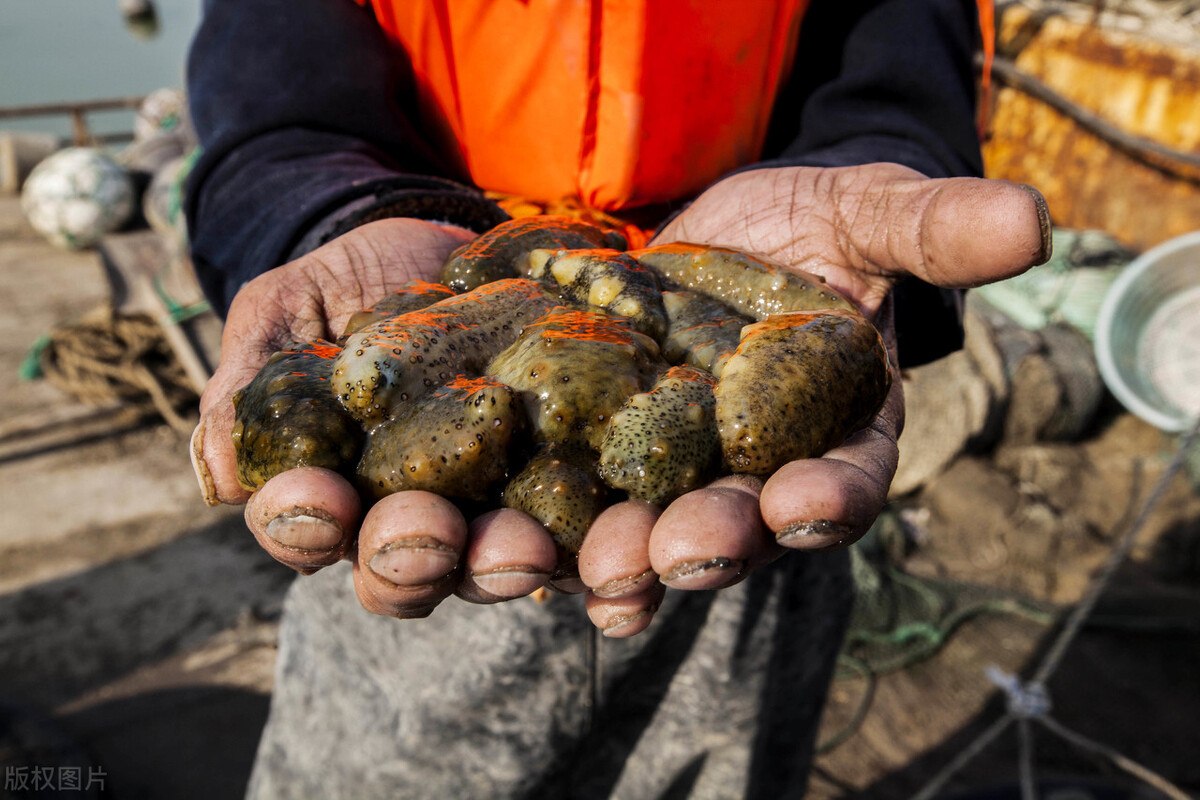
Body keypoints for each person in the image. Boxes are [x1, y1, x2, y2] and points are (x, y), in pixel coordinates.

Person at [185, 0, 1050, 796]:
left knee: (730, 763)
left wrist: (864, 174)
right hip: (443, 377)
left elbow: (893, 80)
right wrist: (336, 219)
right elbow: (275, 116)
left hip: (753, 509)